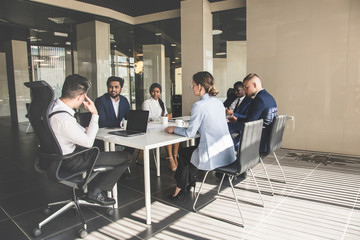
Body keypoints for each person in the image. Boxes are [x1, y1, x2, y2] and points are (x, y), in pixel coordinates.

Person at [49, 74, 133, 206]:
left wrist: (84, 130)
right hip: (71, 160)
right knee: (126, 157)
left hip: (57, 158)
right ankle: (95, 191)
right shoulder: (64, 119)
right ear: (80, 97)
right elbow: (88, 143)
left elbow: (73, 130)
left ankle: (94, 186)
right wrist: (95, 114)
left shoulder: (53, 109)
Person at [165, 71, 236, 199]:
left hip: (212, 155)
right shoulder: (219, 103)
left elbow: (190, 133)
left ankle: (180, 188)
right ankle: (188, 184)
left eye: (193, 85)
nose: (192, 88)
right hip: (227, 153)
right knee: (189, 154)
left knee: (183, 153)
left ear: (200, 86)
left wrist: (174, 129)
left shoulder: (199, 105)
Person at [228, 73, 277, 153]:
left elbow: (249, 125)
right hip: (268, 140)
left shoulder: (259, 100)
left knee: (225, 142)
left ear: (254, 85)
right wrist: (237, 120)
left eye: (247, 87)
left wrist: (228, 125)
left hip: (258, 143)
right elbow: (255, 119)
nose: (245, 90)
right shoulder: (269, 97)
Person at [142, 83, 180, 171]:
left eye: (157, 92)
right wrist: (163, 118)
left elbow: (165, 114)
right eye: (153, 92)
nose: (155, 94)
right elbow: (148, 118)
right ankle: (170, 158)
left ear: (160, 92)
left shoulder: (161, 103)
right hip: (151, 128)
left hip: (162, 125)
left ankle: (175, 156)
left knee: (175, 131)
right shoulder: (146, 103)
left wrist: (168, 116)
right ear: (150, 92)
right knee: (168, 134)